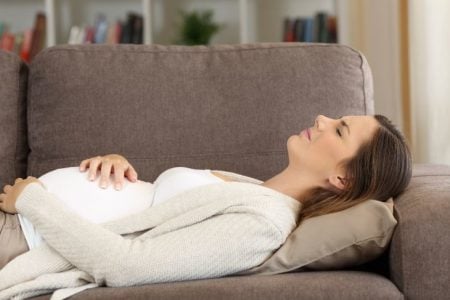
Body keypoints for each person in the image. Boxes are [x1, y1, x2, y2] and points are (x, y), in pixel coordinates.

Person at [0, 114, 412, 299]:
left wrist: (34, 201)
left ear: (342, 179)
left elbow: (126, 264)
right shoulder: (254, 190)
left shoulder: (264, 224)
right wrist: (118, 166)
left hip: (23, 239)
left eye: (339, 130)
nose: (322, 118)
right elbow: (152, 213)